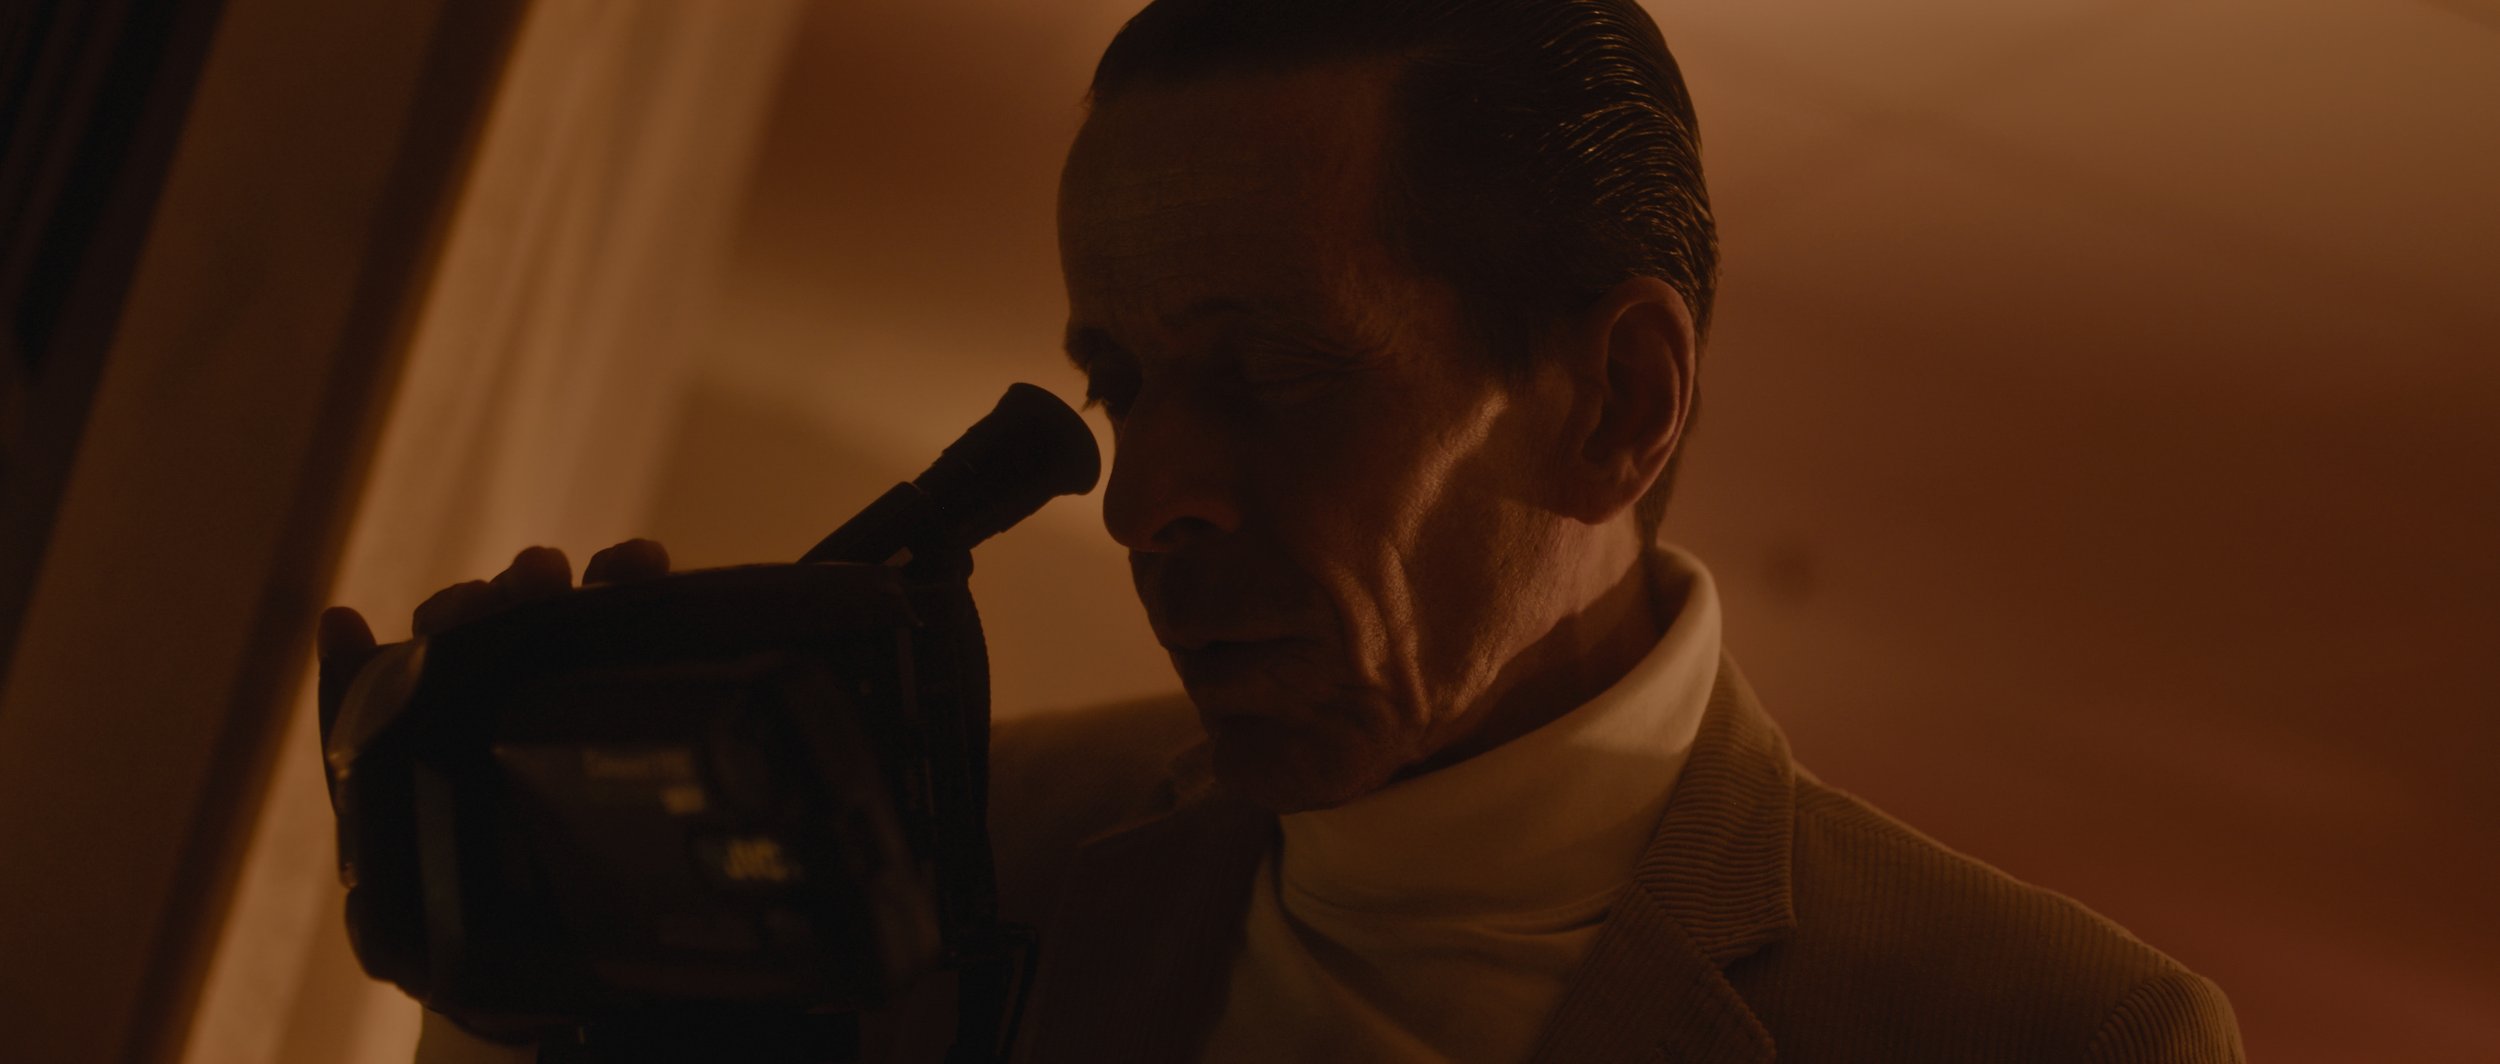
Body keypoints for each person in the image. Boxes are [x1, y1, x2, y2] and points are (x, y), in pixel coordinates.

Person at [330, 1, 2245, 1060]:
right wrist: (552, 1006)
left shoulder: (2055, 1045)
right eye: (1122, 381)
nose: (1151, 501)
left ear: (1620, 404)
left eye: (1275, 376)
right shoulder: (944, 861)